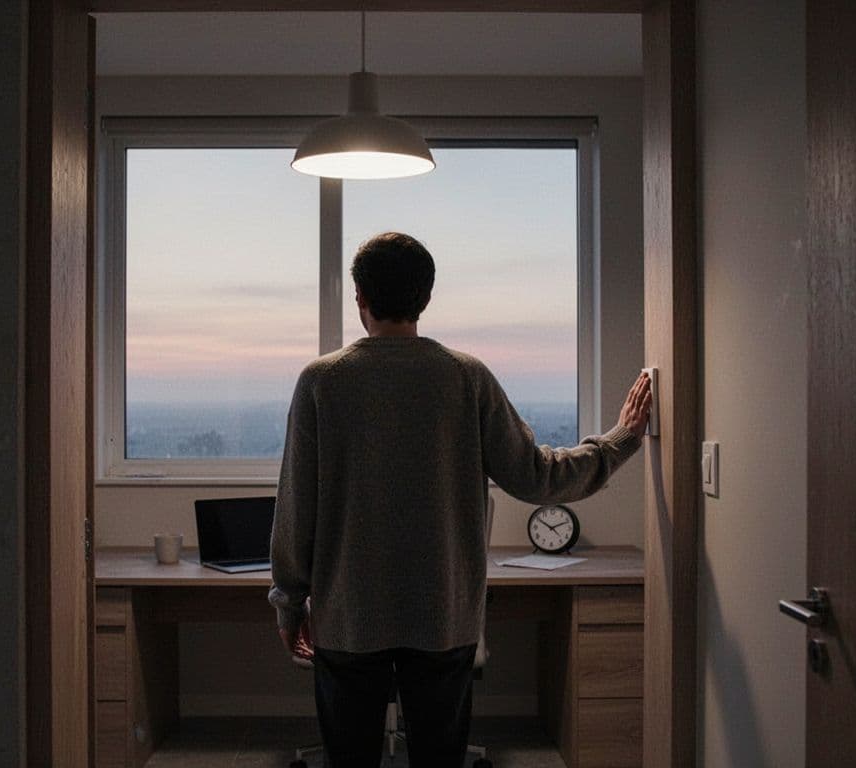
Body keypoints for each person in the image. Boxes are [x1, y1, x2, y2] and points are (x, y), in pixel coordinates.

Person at [269, 232, 652, 767]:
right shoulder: (465, 377)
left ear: (360, 298)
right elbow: (538, 477)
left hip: (349, 618)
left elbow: (295, 510)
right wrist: (621, 440)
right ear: (425, 299)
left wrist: (289, 603)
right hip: (442, 616)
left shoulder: (321, 381)